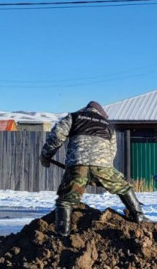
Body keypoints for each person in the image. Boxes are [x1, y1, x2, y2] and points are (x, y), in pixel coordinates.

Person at [40, 101, 144, 236]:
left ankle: (62, 235)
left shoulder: (74, 117)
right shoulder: (107, 125)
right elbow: (112, 152)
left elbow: (57, 136)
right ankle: (138, 217)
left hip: (78, 164)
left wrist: (46, 155)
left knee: (66, 200)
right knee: (123, 187)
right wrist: (99, 171)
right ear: (100, 113)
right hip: (103, 165)